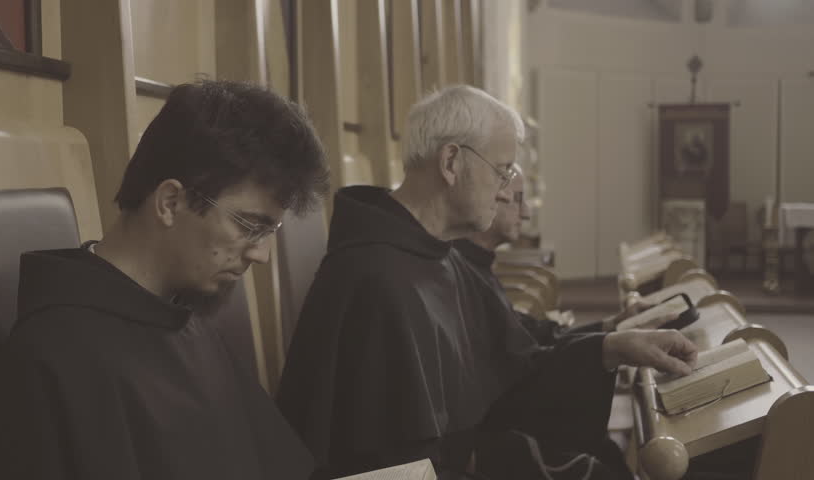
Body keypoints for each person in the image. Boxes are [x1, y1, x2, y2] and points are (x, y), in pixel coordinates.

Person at [277, 85, 697, 480]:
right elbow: (391, 460)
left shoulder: (436, 254)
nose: (504, 191)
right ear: (451, 162)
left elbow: (512, 367)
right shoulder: (376, 278)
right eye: (502, 170)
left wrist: (613, 346)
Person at [0, 80, 330, 480]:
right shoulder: (49, 360)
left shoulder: (188, 321)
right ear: (170, 203)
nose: (261, 254)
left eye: (270, 231)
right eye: (249, 226)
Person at [455, 166, 661, 344]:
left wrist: (612, 325)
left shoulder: (476, 265)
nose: (526, 213)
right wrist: (610, 344)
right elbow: (523, 353)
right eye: (517, 199)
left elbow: (526, 333)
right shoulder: (461, 273)